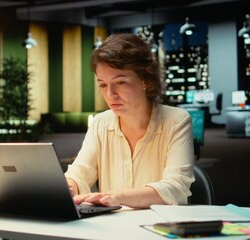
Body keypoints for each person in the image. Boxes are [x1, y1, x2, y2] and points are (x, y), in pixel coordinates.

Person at [64, 33, 195, 209]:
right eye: (103, 85)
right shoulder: (100, 123)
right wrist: (68, 186)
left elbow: (175, 188)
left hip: (159, 229)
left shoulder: (176, 121)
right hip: (114, 230)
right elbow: (80, 172)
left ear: (145, 80)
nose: (110, 94)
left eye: (120, 82)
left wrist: (117, 197)